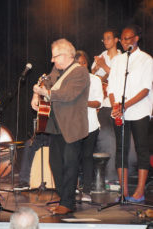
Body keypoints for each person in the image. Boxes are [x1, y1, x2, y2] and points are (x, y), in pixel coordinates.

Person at [32, 39, 90, 214]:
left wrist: (46, 93)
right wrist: (36, 94)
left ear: (66, 55)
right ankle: (64, 197)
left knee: (70, 164)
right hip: (55, 126)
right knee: (55, 163)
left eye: (55, 56)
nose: (52, 60)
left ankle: (67, 202)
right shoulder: (56, 70)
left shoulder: (80, 72)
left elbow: (67, 94)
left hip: (72, 126)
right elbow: (46, 83)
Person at [108, 25, 153, 202]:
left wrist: (125, 106)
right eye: (123, 39)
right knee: (121, 150)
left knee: (142, 149)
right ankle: (123, 191)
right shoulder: (118, 60)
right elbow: (111, 87)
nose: (126, 41)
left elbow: (145, 89)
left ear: (136, 39)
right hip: (120, 111)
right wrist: (115, 106)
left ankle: (140, 191)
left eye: (129, 38)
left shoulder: (146, 60)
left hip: (140, 110)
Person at [91, 28, 122, 181]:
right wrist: (96, 68)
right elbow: (92, 77)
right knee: (106, 138)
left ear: (116, 40)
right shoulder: (101, 56)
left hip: (118, 103)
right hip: (103, 104)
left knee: (121, 142)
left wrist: (103, 66)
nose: (106, 41)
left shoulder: (121, 57)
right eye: (104, 39)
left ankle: (120, 177)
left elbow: (118, 77)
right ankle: (109, 177)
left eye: (109, 38)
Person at [75, 50, 103, 202]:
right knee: (73, 157)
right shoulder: (69, 81)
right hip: (73, 126)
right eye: (77, 64)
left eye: (83, 63)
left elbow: (98, 102)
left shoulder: (95, 80)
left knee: (86, 157)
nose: (81, 66)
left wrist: (83, 102)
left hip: (91, 125)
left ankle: (86, 190)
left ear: (87, 64)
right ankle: (71, 187)